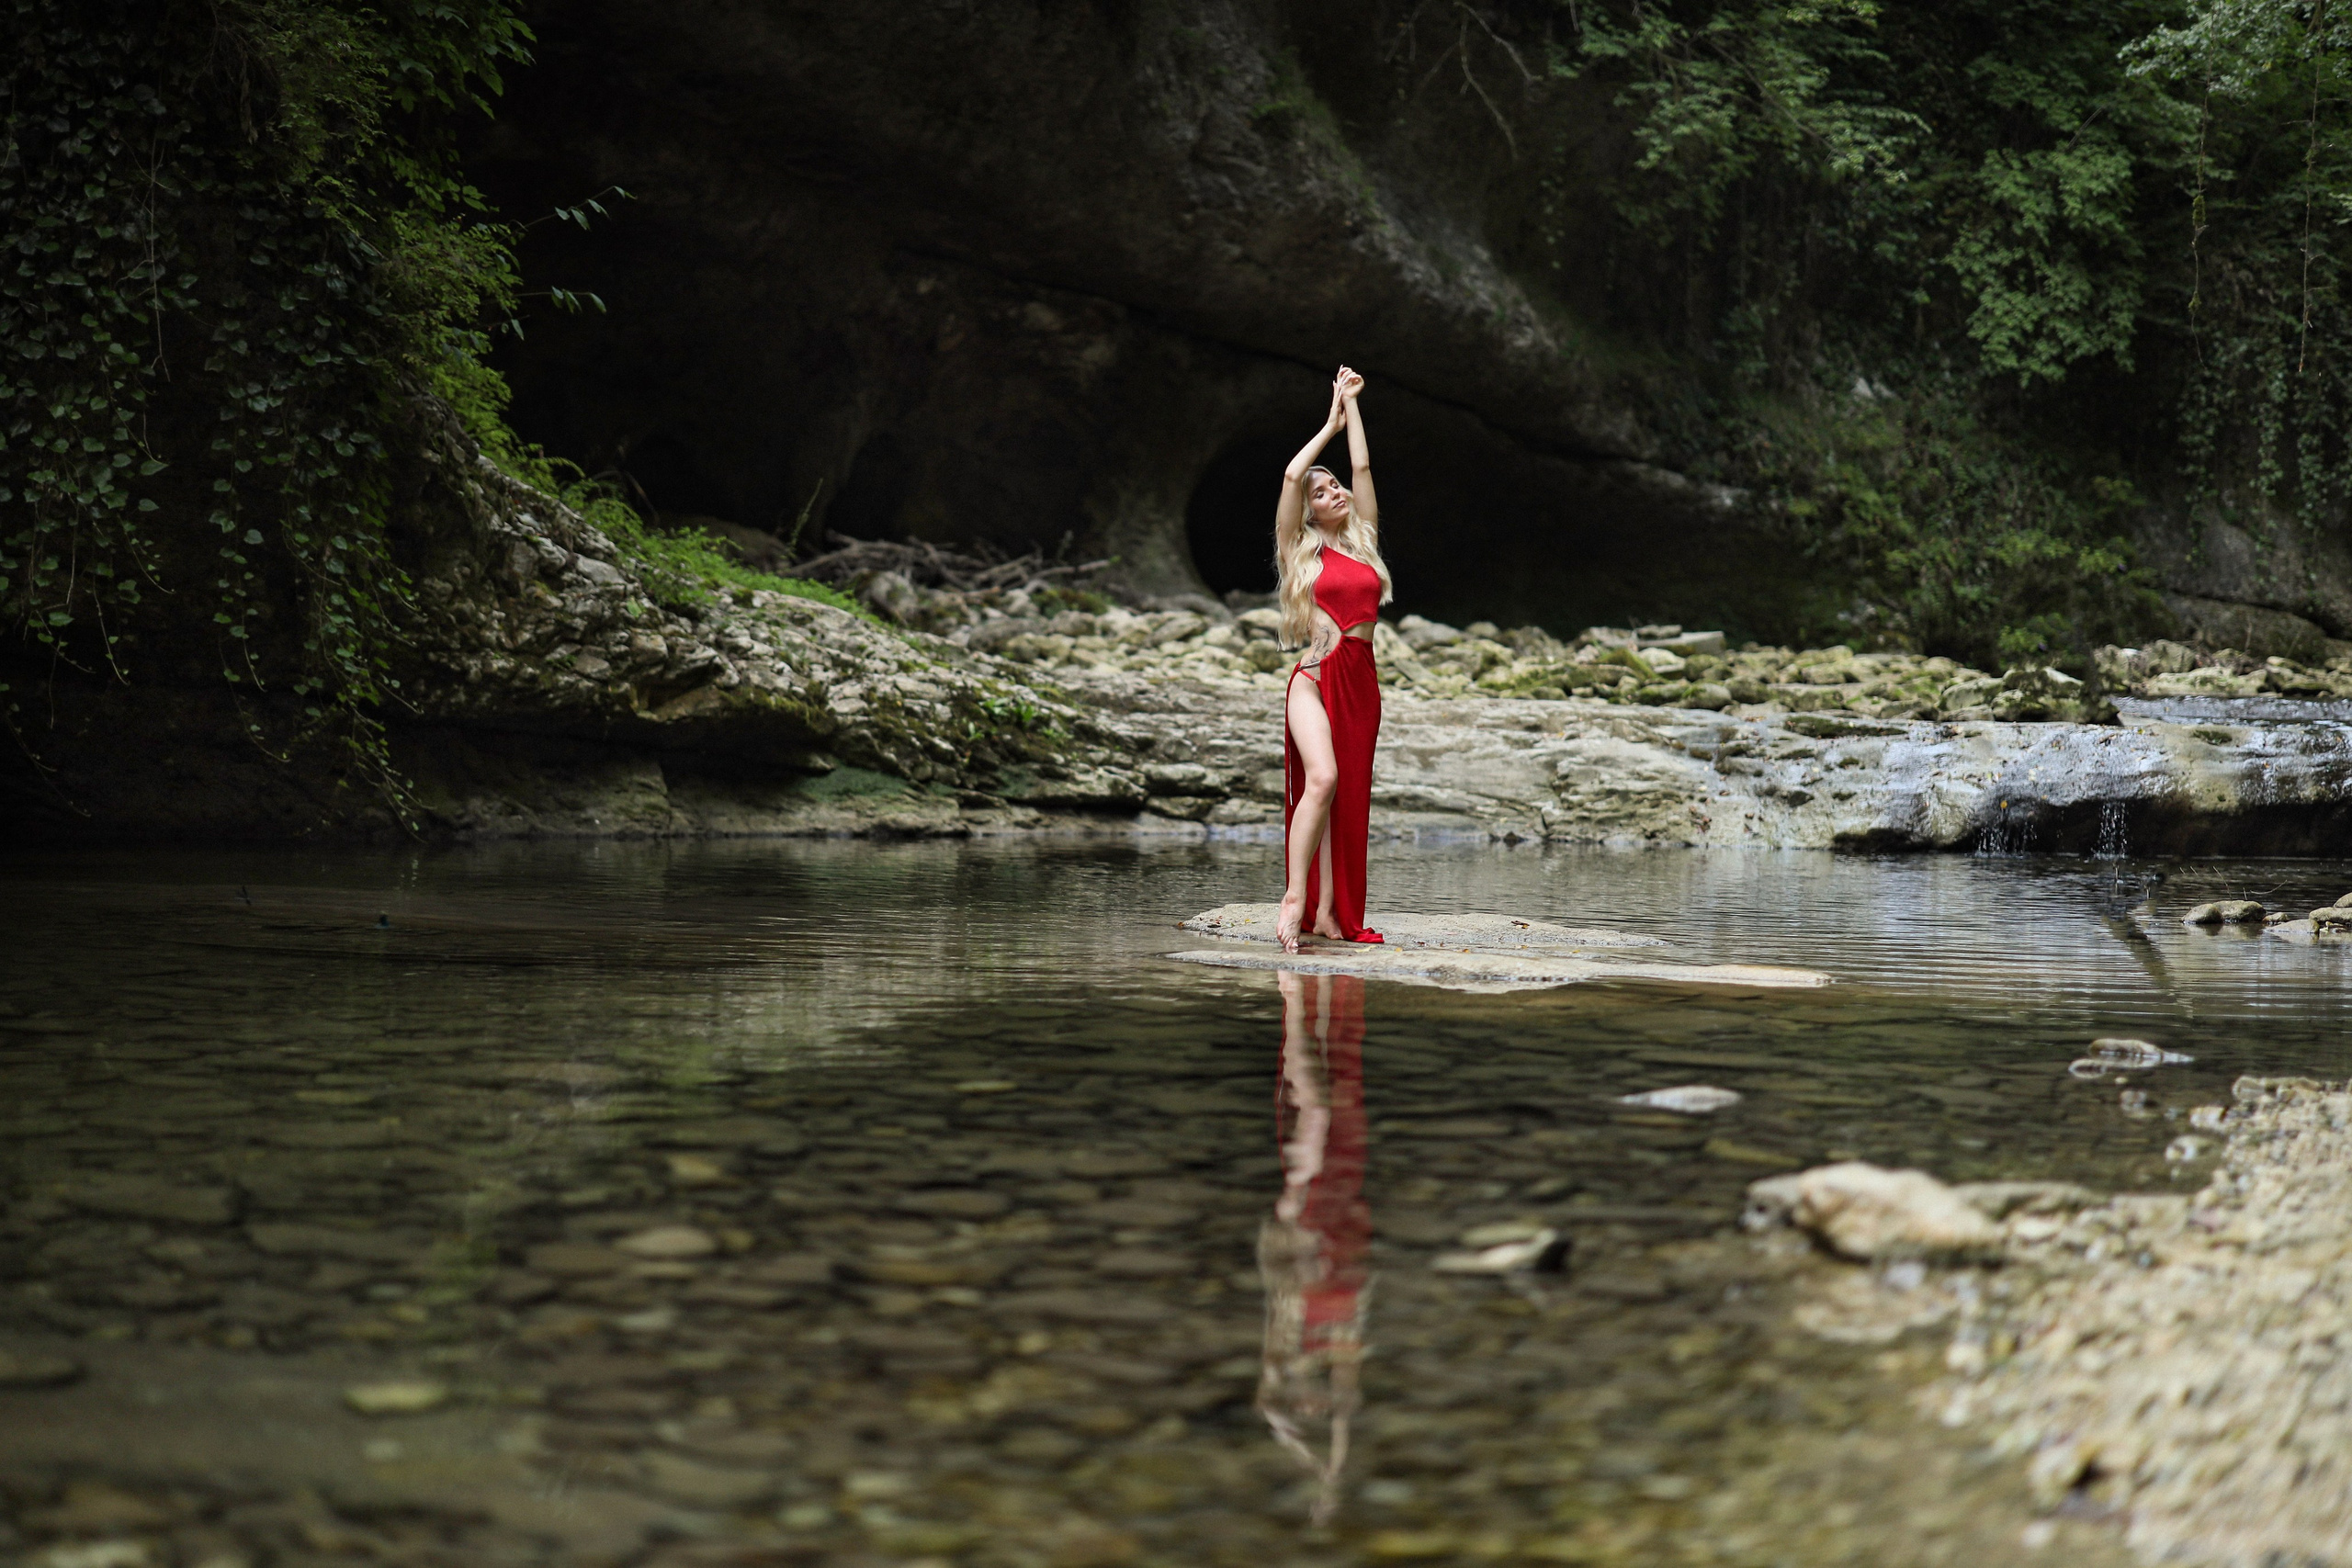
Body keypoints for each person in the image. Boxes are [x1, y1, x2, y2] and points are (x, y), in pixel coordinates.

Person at [1273, 367, 1393, 952]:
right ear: (1309, 511)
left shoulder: (1363, 540)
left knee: (1347, 798)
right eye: (1321, 494)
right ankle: (1295, 899)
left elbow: (1363, 468)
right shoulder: (1300, 548)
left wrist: (1353, 404)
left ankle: (1328, 913)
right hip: (1315, 678)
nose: (1334, 493)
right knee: (1322, 780)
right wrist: (1329, 424)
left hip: (1361, 682)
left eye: (1335, 486)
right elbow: (1293, 474)